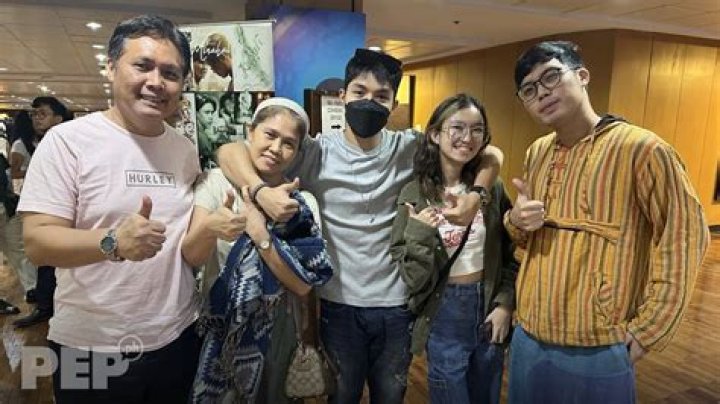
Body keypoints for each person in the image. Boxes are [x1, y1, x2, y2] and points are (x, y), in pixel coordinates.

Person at [217, 48, 502, 404]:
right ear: (343, 96)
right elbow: (230, 151)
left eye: (381, 96)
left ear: (393, 104)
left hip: (398, 304)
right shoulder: (316, 152)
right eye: (359, 92)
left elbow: (491, 154)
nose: (369, 102)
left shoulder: (410, 148)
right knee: (343, 396)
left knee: (391, 395)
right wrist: (259, 190)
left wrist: (476, 194)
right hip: (339, 306)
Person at [505, 41, 710, 404]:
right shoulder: (538, 152)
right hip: (529, 336)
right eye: (529, 90)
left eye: (551, 77)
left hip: (598, 343)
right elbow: (523, 241)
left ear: (583, 76)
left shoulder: (642, 149)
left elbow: (684, 236)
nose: (542, 93)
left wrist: (650, 329)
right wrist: (516, 220)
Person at [18, 14, 202, 403]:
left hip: (177, 336)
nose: (156, 81)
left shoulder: (184, 149)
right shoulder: (67, 142)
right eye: (143, 66)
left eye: (170, 73)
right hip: (90, 344)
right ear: (111, 67)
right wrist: (113, 241)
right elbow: (37, 243)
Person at [183, 97, 333, 402]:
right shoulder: (216, 183)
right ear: (250, 132)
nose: (276, 149)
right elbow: (191, 256)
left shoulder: (302, 203)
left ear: (297, 153)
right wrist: (211, 227)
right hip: (221, 322)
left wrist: (260, 235)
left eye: (289, 144)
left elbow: (303, 285)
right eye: (270, 135)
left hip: (280, 328)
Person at [390, 93, 517, 404]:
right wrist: (420, 232)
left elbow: (512, 254)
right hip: (443, 310)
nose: (467, 138)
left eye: (477, 130)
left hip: (488, 305)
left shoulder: (490, 189)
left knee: (487, 394)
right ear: (435, 134)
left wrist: (505, 304)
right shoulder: (413, 194)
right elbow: (413, 278)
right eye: (457, 128)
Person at [13, 98, 71, 328]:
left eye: (43, 114)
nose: (37, 119)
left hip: (64, 211)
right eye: (34, 114)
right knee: (45, 260)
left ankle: (51, 308)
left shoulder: (68, 142)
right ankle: (46, 307)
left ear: (58, 117)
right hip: (43, 210)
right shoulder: (33, 143)